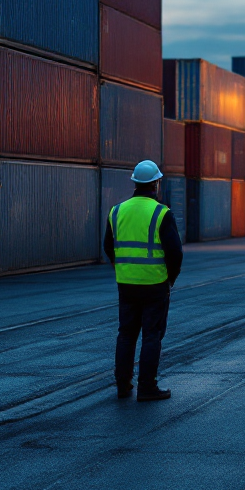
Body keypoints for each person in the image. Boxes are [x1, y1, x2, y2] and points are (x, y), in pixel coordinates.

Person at [103, 160, 183, 401]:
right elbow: (175, 253)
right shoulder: (162, 213)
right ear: (156, 184)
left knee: (126, 334)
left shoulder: (116, 211)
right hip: (155, 285)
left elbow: (108, 246)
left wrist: (123, 269)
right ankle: (147, 388)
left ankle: (123, 385)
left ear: (135, 183)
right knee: (151, 335)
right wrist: (170, 279)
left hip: (126, 285)